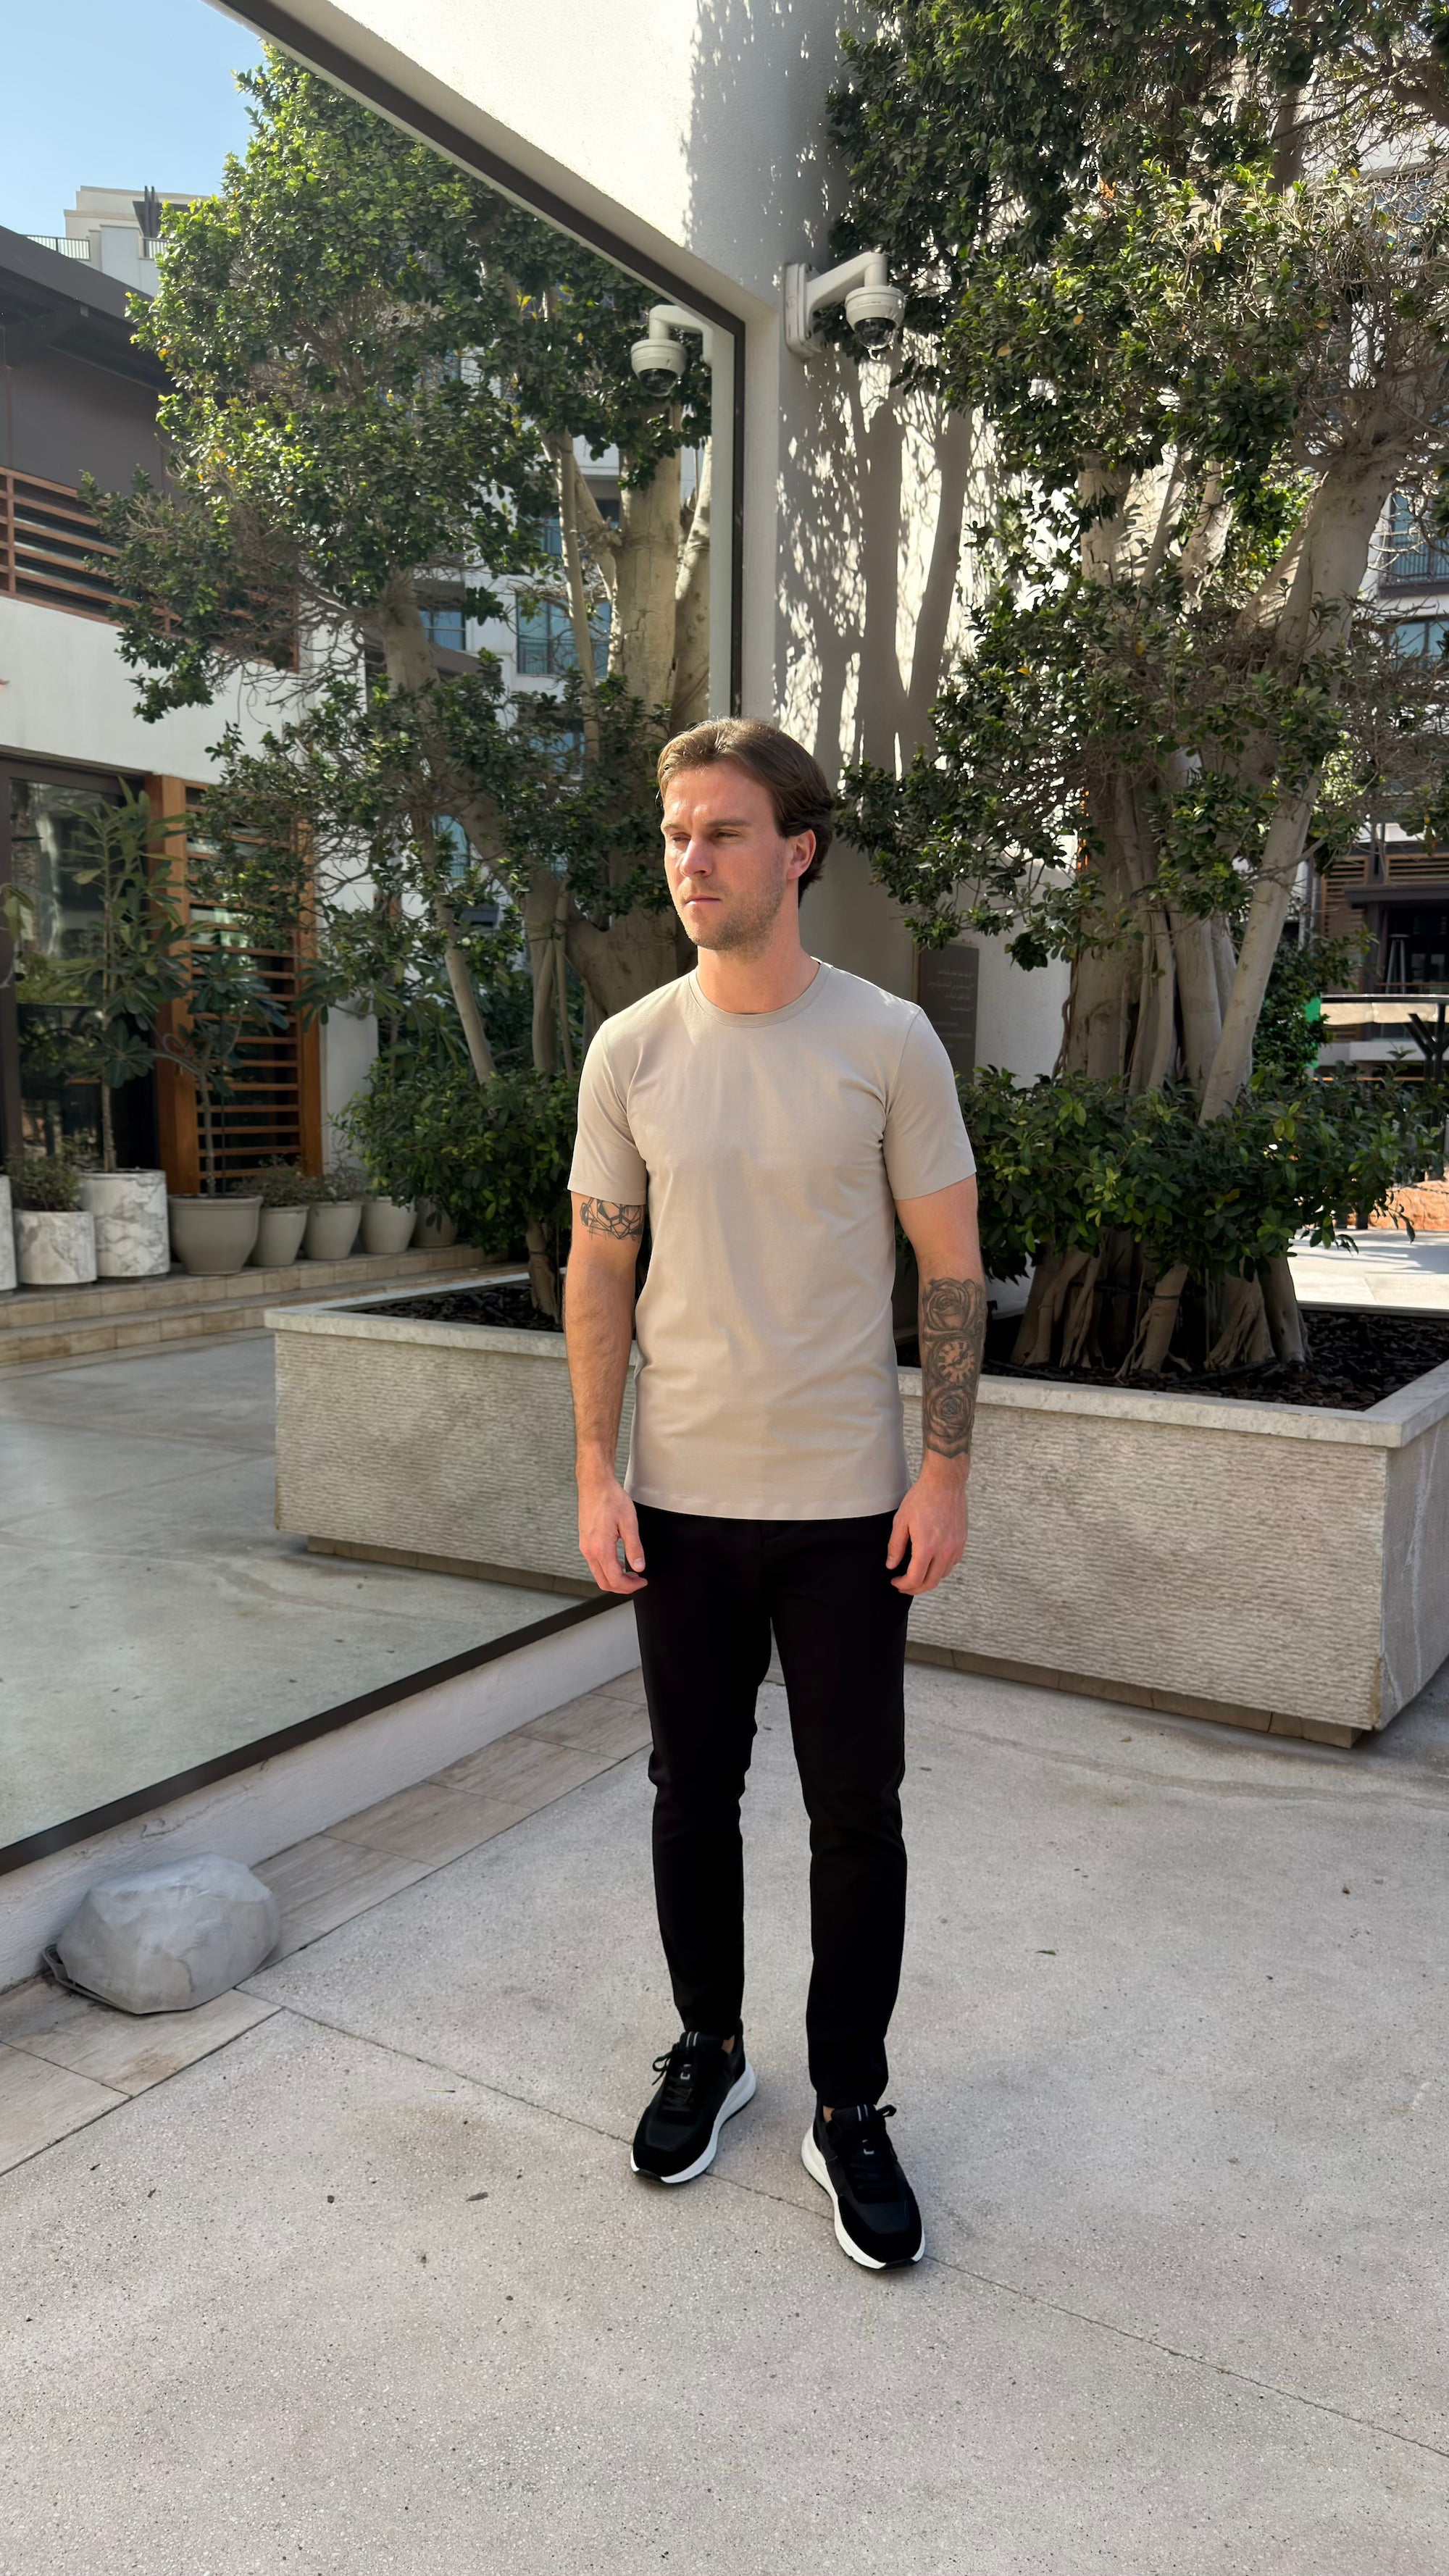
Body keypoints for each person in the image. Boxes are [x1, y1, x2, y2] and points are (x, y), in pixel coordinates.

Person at [564, 717, 985, 2271]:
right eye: (675, 833)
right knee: (691, 1794)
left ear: (796, 850)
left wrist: (944, 1469)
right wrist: (595, 1467)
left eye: (722, 831)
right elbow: (599, 1268)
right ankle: (711, 2044)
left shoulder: (888, 1040)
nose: (691, 859)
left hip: (846, 1512)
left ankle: (850, 2102)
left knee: (856, 1814)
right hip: (677, 1505)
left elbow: (950, 1269)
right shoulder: (632, 1050)